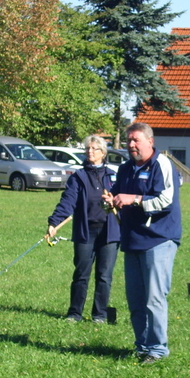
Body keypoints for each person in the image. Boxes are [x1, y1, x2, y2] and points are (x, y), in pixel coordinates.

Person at [102, 123, 181, 365]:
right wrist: (111, 201)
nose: (131, 145)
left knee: (154, 297)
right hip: (132, 239)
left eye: (136, 140)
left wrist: (134, 199)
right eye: (129, 140)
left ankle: (158, 350)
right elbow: (116, 194)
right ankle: (142, 345)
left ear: (150, 141)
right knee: (135, 298)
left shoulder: (162, 164)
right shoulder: (125, 168)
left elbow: (167, 200)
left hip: (159, 239)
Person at [46, 135, 120, 323]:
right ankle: (74, 313)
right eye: (88, 148)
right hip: (85, 231)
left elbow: (123, 200)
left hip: (109, 232)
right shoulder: (78, 177)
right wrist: (55, 222)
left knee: (104, 276)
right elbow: (67, 201)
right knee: (81, 274)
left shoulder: (113, 175)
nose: (90, 151)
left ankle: (100, 315)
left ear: (103, 153)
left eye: (95, 148)